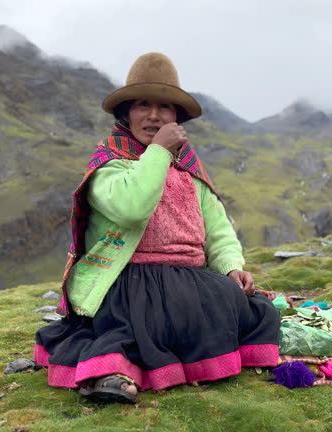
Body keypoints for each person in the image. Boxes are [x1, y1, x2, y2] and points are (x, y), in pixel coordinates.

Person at [33, 52, 281, 404]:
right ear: (126, 113)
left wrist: (231, 267)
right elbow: (133, 209)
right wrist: (160, 151)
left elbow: (217, 227)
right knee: (139, 325)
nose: (153, 116)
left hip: (191, 279)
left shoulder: (189, 167)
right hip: (131, 281)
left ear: (176, 117)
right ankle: (111, 374)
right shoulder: (109, 164)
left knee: (257, 311)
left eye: (164, 107)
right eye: (143, 105)